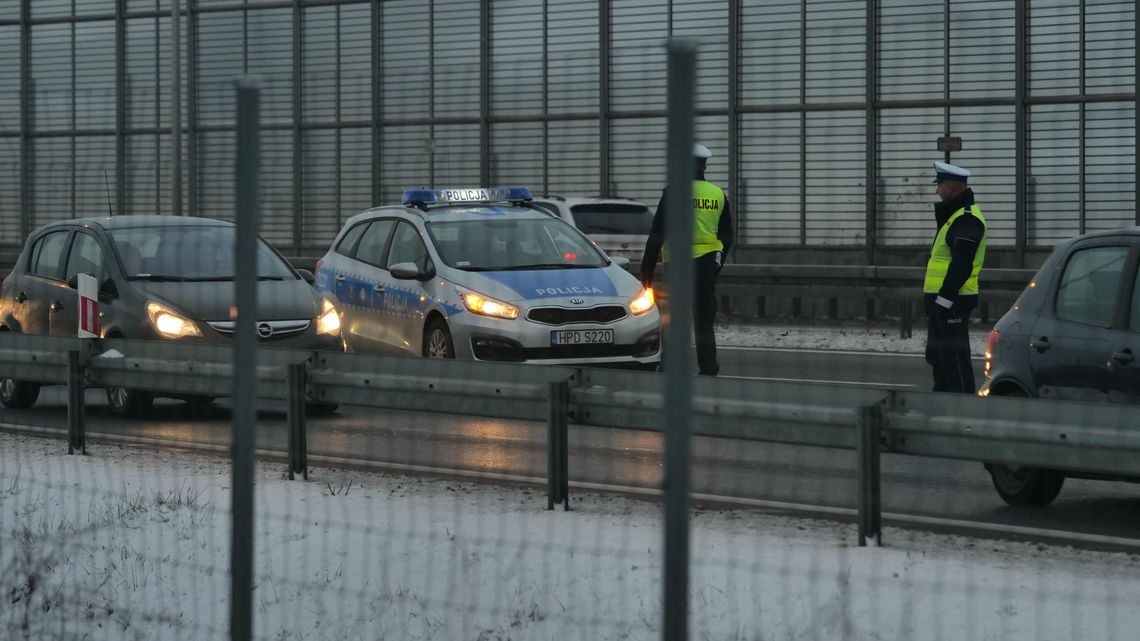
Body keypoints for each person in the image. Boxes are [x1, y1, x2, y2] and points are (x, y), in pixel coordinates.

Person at [640, 143, 734, 376]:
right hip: (706, 265)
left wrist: (647, 273)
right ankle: (709, 369)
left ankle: (670, 367)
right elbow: (727, 236)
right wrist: (716, 264)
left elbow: (657, 235)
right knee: (704, 321)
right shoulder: (717, 194)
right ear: (704, 165)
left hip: (678, 266)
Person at [924, 161, 987, 393]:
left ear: (950, 187)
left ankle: (962, 406)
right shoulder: (955, 216)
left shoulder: (967, 218)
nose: (937, 190)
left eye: (939, 185)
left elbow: (962, 263)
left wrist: (945, 299)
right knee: (939, 356)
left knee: (955, 358)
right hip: (943, 301)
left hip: (953, 301)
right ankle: (942, 404)